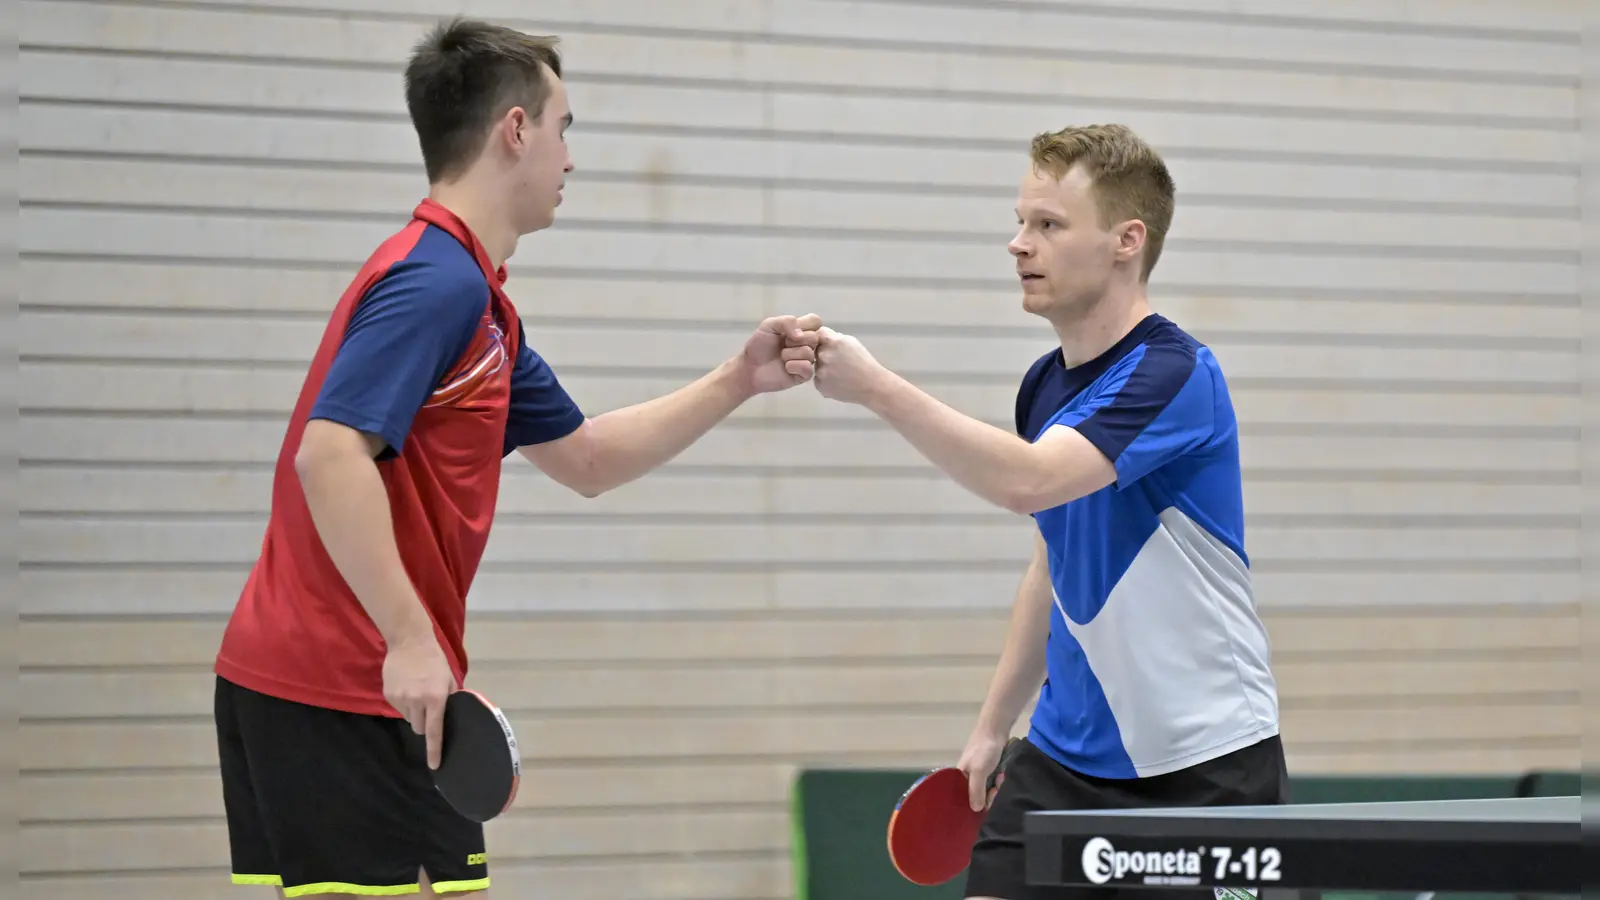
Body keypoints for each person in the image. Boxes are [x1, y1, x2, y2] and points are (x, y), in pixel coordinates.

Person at [210, 17, 822, 900]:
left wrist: (739, 379)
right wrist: (411, 640)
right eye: (564, 128)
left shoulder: (482, 306)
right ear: (516, 131)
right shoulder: (435, 282)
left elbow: (585, 458)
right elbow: (330, 454)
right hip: (336, 685)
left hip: (360, 685)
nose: (571, 159)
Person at [811, 123, 1286, 900]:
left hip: (1204, 765)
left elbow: (1027, 482)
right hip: (1063, 761)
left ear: (1127, 241)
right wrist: (994, 724)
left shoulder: (1175, 374)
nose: (1017, 244)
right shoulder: (1044, 385)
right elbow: (1052, 557)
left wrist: (874, 387)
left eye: (1048, 225)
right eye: (1021, 221)